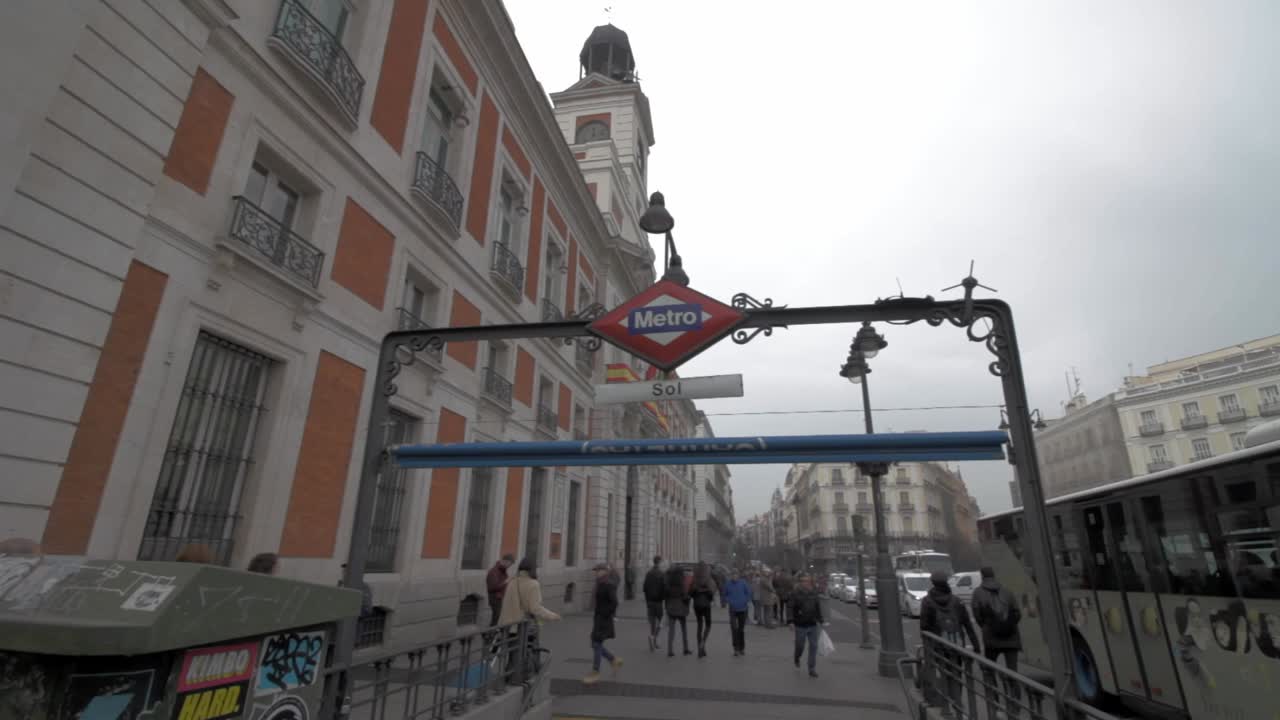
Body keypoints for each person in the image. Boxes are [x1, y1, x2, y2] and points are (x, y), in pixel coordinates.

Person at [920, 570, 979, 716]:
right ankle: (958, 701)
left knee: (942, 673)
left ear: (933, 583)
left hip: (938, 646)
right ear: (946, 582)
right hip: (956, 645)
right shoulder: (956, 601)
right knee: (956, 673)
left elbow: (924, 626)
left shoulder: (927, 602)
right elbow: (967, 624)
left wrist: (927, 645)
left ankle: (945, 706)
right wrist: (976, 645)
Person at [971, 566, 1023, 713]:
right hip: (1012, 638)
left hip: (991, 639)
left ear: (982, 576)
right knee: (1013, 672)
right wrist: (1008, 626)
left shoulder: (978, 593)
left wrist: (989, 627)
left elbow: (977, 615)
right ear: (994, 575)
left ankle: (995, 701)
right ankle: (1016, 705)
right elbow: (1017, 613)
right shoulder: (1007, 591)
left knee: (990, 670)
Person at [584, 563, 623, 684]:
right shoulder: (600, 583)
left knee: (596, 644)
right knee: (595, 644)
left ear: (604, 571)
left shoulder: (608, 585)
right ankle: (614, 660)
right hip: (599, 618)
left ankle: (595, 672)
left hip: (603, 619)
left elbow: (614, 602)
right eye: (595, 571)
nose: (596, 572)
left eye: (598, 570)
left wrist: (606, 614)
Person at [790, 573, 825, 677]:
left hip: (812, 623)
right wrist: (790, 621)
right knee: (800, 645)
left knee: (814, 646)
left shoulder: (814, 592)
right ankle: (797, 657)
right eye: (804, 581)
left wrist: (821, 620)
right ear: (800, 582)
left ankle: (811, 668)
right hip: (800, 624)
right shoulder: (795, 593)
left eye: (808, 581)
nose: (806, 583)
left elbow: (817, 606)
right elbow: (790, 607)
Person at [723, 569, 753, 656]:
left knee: (741, 629)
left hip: (742, 609)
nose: (734, 576)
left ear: (738, 575)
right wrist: (729, 601)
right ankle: (735, 648)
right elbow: (724, 594)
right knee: (734, 629)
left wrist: (745, 600)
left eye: (736, 575)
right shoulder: (728, 584)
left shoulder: (743, 583)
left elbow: (749, 593)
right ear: (731, 576)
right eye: (733, 575)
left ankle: (742, 648)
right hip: (732, 610)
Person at [690, 562, 717, 658]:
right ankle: (703, 643)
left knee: (699, 625)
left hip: (697, 605)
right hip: (706, 605)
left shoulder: (695, 580)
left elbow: (691, 593)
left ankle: (700, 649)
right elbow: (711, 593)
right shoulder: (709, 580)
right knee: (708, 625)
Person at [664, 563, 692, 657]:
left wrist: (667, 606)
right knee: (684, 629)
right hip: (681, 609)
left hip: (671, 608)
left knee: (671, 630)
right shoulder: (681, 584)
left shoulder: (669, 583)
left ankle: (670, 650)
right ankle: (685, 648)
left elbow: (666, 596)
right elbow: (685, 596)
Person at [643, 556, 666, 651]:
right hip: (658, 602)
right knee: (661, 621)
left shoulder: (648, 574)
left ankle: (653, 637)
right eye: (661, 562)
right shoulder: (661, 574)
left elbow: (644, 588)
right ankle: (654, 637)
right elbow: (664, 588)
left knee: (652, 622)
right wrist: (663, 598)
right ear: (659, 562)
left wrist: (647, 600)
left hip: (650, 602)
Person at [486, 553, 515, 627]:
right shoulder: (494, 571)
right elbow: (492, 587)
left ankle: (491, 634)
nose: (510, 566)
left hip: (500, 598)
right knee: (496, 618)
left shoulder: (502, 570)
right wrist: (506, 582)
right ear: (505, 561)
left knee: (498, 618)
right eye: (510, 564)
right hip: (495, 598)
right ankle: (489, 635)